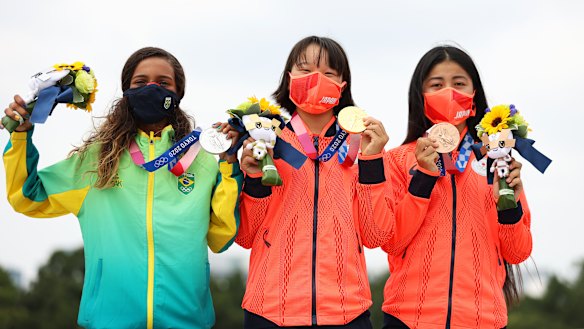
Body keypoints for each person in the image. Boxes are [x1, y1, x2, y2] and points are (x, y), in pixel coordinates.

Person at [2, 47, 243, 329]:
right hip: (110, 321)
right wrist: (21, 136)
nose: (152, 88)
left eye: (163, 83)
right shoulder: (96, 160)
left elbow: (220, 237)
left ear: (178, 93)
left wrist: (230, 166)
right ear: (126, 90)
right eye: (140, 82)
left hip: (186, 320)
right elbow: (27, 197)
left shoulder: (199, 159)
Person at [236, 36, 396, 328]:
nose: (315, 79)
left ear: (342, 85)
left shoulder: (361, 145)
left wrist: (372, 162)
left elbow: (376, 235)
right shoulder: (267, 141)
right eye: (305, 69)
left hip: (348, 311)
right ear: (289, 78)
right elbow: (246, 235)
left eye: (328, 73)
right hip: (269, 310)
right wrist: (256, 178)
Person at [380, 45, 532, 329]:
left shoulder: (495, 160)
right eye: (436, 85)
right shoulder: (398, 160)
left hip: (483, 319)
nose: (449, 92)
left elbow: (517, 252)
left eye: (459, 83)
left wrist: (508, 206)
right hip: (408, 318)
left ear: (474, 99)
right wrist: (423, 178)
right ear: (421, 97)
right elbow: (391, 241)